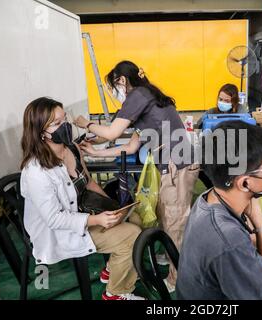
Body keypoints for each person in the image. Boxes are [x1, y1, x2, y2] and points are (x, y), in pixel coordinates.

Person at [73, 61, 199, 290]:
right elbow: (129, 147)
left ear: (122, 80)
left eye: (114, 85)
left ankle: (177, 279)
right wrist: (96, 152)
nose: (115, 92)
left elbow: (111, 131)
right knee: (164, 216)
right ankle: (171, 255)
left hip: (177, 167)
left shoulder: (138, 95)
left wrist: (85, 123)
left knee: (175, 223)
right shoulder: (146, 99)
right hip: (171, 167)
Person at [20, 97, 144, 300]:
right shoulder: (36, 171)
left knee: (135, 217)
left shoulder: (71, 150)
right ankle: (116, 293)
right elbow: (54, 219)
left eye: (65, 119)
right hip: (60, 231)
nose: (66, 126)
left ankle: (113, 270)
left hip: (83, 212)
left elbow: (87, 183)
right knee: (132, 234)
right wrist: (98, 220)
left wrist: (114, 208)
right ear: (42, 132)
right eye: (57, 124)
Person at [176, 121, 262, 300]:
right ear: (244, 183)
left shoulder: (213, 196)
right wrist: (260, 225)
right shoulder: (228, 238)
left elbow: (252, 242)